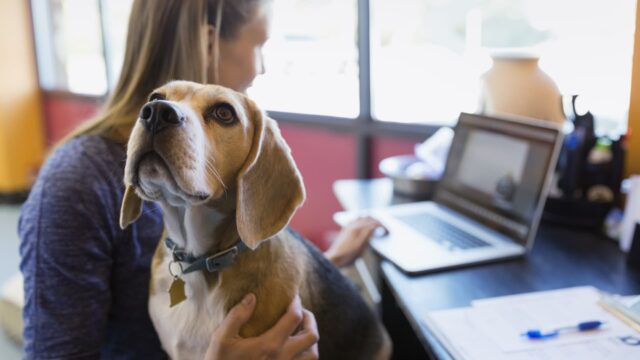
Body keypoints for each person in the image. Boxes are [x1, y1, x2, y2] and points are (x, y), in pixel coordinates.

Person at [18, 0, 383, 359]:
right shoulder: (72, 186)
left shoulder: (217, 194)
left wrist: (323, 271)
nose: (261, 68)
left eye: (221, 113)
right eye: (260, 46)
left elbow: (258, 273)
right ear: (208, 44)